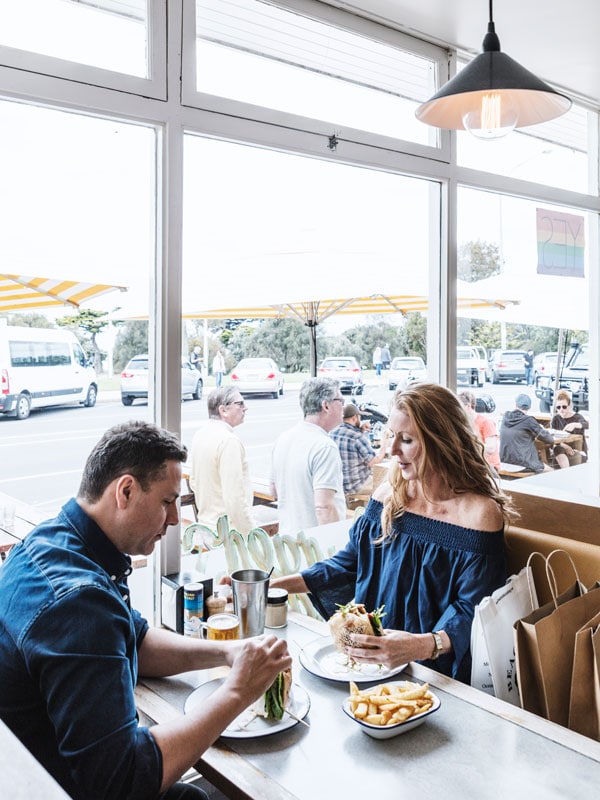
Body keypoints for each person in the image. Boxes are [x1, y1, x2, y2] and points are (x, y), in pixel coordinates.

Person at [0, 421, 290, 800]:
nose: (174, 520)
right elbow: (121, 782)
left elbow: (134, 638)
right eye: (168, 502)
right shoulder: (80, 605)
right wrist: (238, 692)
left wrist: (226, 651)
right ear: (125, 490)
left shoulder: (53, 540)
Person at [269, 383, 512, 683]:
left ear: (443, 441)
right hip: (370, 661)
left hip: (437, 674)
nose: (393, 450)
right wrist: (272, 587)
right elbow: (350, 563)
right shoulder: (389, 494)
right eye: (391, 436)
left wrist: (419, 645)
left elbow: (471, 611)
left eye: (407, 440)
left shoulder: (479, 514)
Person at [190, 387, 277, 535]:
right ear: (223, 410)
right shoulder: (229, 441)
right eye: (240, 404)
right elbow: (234, 497)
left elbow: (194, 482)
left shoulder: (201, 434)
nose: (245, 408)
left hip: (206, 525)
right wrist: (251, 533)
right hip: (229, 532)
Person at [270, 377, 346, 534]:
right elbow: (324, 506)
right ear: (326, 405)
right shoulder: (324, 446)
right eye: (341, 401)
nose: (343, 407)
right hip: (315, 545)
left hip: (288, 538)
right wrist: (338, 548)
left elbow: (274, 491)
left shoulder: (283, 438)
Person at [330, 402, 388, 497]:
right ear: (355, 418)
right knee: (387, 480)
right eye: (360, 417)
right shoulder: (357, 437)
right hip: (356, 486)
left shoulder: (332, 432)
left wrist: (361, 430)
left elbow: (348, 440)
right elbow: (375, 462)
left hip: (338, 484)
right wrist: (385, 443)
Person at [500, 392, 554, 473]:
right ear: (529, 407)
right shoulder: (529, 420)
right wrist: (542, 428)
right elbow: (549, 439)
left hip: (504, 462)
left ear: (516, 405)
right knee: (552, 471)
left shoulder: (505, 417)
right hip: (523, 464)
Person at [458, 390, 500, 472]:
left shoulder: (486, 422)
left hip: (489, 466)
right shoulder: (464, 423)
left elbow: (491, 448)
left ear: (468, 406)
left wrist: (470, 446)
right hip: (474, 463)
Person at [550, 389, 589, 468]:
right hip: (562, 450)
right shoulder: (555, 419)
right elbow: (552, 438)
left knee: (558, 459)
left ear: (569, 406)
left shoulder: (577, 417)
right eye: (558, 407)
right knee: (557, 449)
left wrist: (575, 424)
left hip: (577, 450)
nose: (561, 409)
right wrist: (565, 446)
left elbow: (587, 424)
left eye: (564, 407)